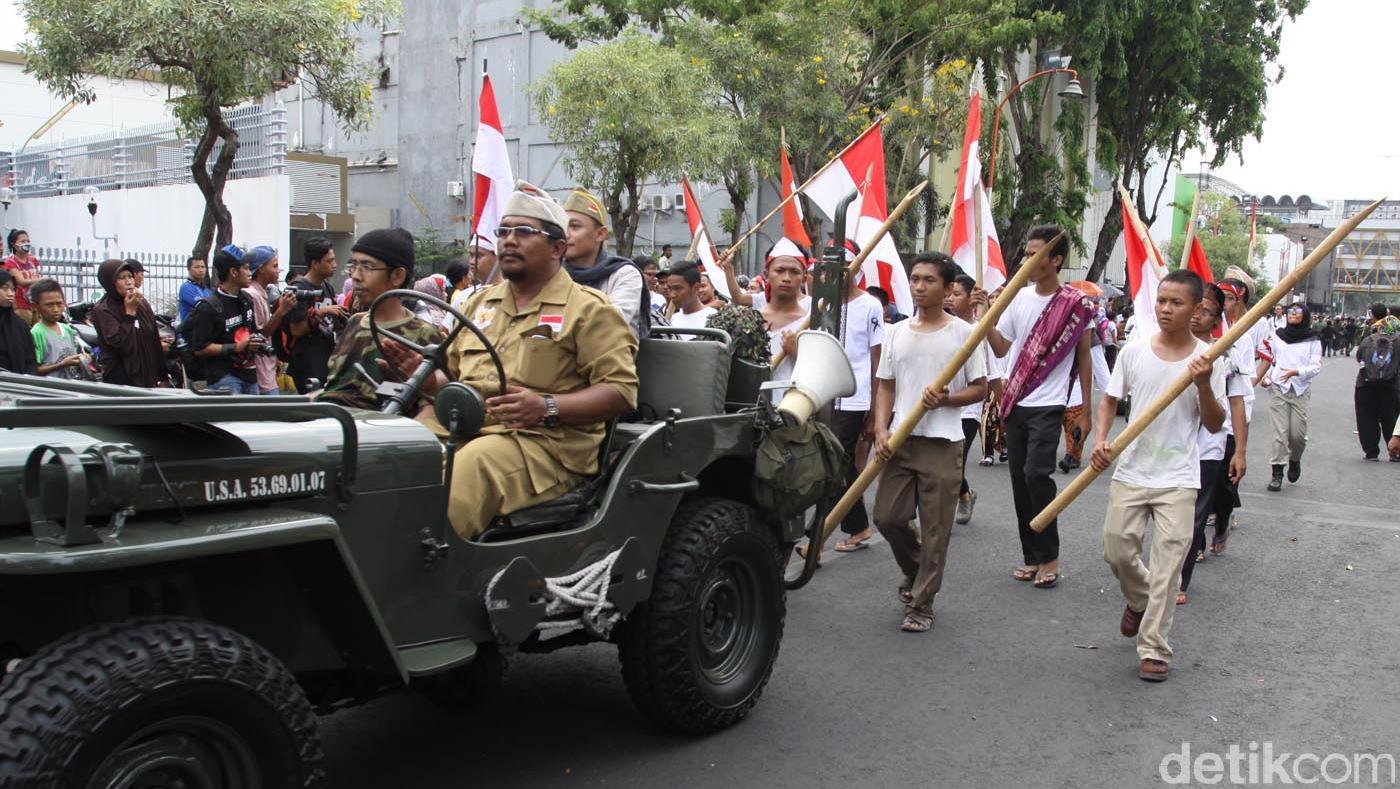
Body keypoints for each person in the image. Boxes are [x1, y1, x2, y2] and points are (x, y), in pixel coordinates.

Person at [380, 185, 639, 538]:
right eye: (503, 232)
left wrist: (546, 406)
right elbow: (453, 377)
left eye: (524, 232)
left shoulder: (590, 310)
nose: (508, 241)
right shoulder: (478, 304)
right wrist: (429, 382)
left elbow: (621, 392)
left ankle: (415, 576)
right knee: (386, 455)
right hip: (466, 425)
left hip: (545, 444)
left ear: (558, 248)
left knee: (469, 468)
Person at [1091, 269, 1224, 682]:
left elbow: (1216, 423)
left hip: (1179, 477)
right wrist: (1101, 440)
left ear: (1196, 309)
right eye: (1162, 300)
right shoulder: (1134, 351)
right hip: (1132, 469)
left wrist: (1203, 384)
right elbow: (1110, 400)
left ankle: (1154, 648)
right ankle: (1138, 599)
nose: (1166, 309)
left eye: (1176, 302)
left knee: (1168, 567)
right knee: (1116, 549)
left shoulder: (1207, 359)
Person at [870, 253, 987, 632]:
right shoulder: (896, 332)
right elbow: (885, 384)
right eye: (915, 279)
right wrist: (881, 429)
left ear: (949, 287)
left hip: (943, 443)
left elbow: (981, 389)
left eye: (929, 280)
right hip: (901, 441)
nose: (919, 287)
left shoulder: (965, 334)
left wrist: (947, 399)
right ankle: (916, 568)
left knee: (936, 529)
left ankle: (921, 604)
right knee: (887, 518)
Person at [975, 225, 1094, 589]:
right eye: (1026, 254)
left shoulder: (1075, 304)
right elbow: (999, 347)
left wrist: (1085, 410)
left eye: (1035, 254)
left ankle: (1050, 556)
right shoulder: (1018, 297)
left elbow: (1085, 358)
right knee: (1018, 480)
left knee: (1037, 476)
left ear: (1055, 260)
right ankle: (1031, 556)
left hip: (1050, 402)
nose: (1027, 261)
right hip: (1016, 400)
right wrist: (986, 314)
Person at [313, 229, 441, 410]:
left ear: (397, 276)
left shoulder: (424, 334)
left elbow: (432, 404)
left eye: (367, 267)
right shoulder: (356, 322)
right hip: (332, 420)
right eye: (354, 266)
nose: (356, 276)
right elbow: (337, 386)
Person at [1177, 283, 1248, 604]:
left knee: (1193, 514)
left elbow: (1237, 404)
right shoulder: (1169, 346)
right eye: (1195, 309)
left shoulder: (1227, 354)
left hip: (1208, 446)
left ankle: (1179, 579)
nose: (1197, 317)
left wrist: (1241, 451)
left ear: (1217, 318)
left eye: (1206, 312)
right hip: (1170, 444)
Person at [823, 267, 885, 552]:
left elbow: (876, 359)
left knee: (836, 463)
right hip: (825, 393)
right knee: (839, 465)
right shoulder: (825, 302)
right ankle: (857, 527)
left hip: (854, 396)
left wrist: (874, 410)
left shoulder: (871, 304)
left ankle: (820, 534)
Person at [945, 274, 1000, 524]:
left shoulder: (981, 330)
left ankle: (948, 509)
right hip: (941, 405)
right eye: (949, 293)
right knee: (944, 464)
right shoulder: (940, 326)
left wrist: (1003, 412)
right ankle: (965, 493)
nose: (950, 299)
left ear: (970, 298)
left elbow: (994, 376)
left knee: (954, 464)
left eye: (957, 294)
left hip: (968, 408)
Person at [562, 187, 649, 338]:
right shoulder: (554, 274)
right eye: (562, 226)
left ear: (600, 234)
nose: (566, 234)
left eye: (575, 226)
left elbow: (610, 323)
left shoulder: (623, 274)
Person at [1258, 303, 1322, 490]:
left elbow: (1316, 366)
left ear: (1306, 315)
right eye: (1290, 311)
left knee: (1297, 435)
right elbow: (1272, 361)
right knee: (1280, 433)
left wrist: (1297, 372)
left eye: (1298, 311)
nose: (1293, 314)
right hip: (1279, 388)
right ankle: (1277, 473)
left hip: (1300, 389)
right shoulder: (1278, 335)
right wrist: (1267, 376)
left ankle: (1295, 459)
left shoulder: (1313, 339)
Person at [188, 247, 265, 395]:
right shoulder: (208, 307)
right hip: (224, 379)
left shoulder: (247, 299)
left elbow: (252, 332)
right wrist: (235, 347)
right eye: (246, 268)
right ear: (233, 272)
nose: (250, 273)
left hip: (250, 376)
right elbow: (200, 348)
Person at [279, 236, 348, 393]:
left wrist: (339, 316)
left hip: (326, 362)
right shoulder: (299, 288)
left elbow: (332, 325)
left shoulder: (327, 287)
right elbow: (296, 329)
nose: (334, 265)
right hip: (306, 365)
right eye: (329, 261)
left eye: (334, 260)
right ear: (315, 264)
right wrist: (322, 312)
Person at [91, 258, 168, 386]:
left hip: (148, 374)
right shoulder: (103, 309)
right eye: (122, 278)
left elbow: (153, 339)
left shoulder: (141, 303)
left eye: (130, 276)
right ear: (111, 282)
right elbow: (119, 343)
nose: (129, 282)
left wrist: (162, 376)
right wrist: (130, 313)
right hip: (122, 378)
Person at [244, 246, 298, 395]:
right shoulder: (251, 295)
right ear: (261, 269)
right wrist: (282, 310)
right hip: (260, 373)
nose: (278, 270)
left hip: (268, 368)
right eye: (274, 266)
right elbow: (260, 334)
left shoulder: (262, 292)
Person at [759, 245, 810, 397]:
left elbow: (823, 374)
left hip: (795, 411)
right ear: (766, 274)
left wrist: (796, 352)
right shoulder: (750, 320)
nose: (787, 278)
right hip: (752, 411)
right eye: (780, 271)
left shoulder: (812, 322)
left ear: (804, 278)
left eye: (794, 272)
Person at [1354, 302, 1400, 461]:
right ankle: (1394, 451)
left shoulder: (1369, 340)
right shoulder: (1398, 341)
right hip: (1392, 385)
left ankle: (1371, 451)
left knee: (1367, 418)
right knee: (1391, 417)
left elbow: (1359, 357)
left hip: (1366, 384)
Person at [28, 278, 89, 379]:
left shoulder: (67, 329)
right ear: (35, 306)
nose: (55, 309)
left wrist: (85, 358)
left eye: (59, 304)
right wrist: (62, 364)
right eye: (49, 305)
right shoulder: (36, 333)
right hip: (52, 389)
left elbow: (74, 355)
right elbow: (35, 370)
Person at [662, 261, 717, 332]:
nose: (672, 295)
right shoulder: (671, 320)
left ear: (696, 287)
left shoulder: (713, 320)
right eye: (670, 288)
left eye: (677, 288)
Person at [0, 269, 38, 373]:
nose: (10, 294)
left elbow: (30, 361)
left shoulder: (19, 325)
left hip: (17, 386)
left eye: (13, 289)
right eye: (5, 288)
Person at [3, 229, 41, 325]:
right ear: (13, 244)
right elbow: (21, 282)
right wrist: (38, 280)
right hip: (21, 304)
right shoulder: (11, 262)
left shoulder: (33, 260)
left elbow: (37, 278)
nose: (27, 244)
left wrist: (37, 280)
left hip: (35, 303)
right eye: (23, 241)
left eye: (28, 241)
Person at [178, 256, 211, 324]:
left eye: (203, 267)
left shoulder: (206, 290)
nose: (201, 270)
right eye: (197, 267)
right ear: (189, 269)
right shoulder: (186, 287)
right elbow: (204, 307)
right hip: (190, 332)